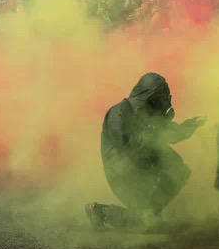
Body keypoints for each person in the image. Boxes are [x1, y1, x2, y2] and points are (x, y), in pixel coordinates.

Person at [86, 73, 206, 231]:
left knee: (177, 169)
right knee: (144, 223)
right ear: (149, 96)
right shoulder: (119, 112)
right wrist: (152, 136)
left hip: (142, 166)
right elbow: (126, 145)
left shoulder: (148, 116)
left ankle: (150, 215)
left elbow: (171, 134)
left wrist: (190, 125)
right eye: (159, 98)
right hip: (123, 173)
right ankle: (99, 211)